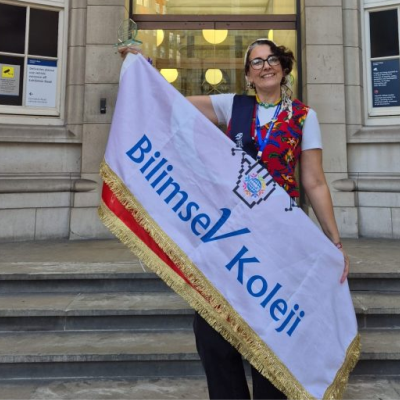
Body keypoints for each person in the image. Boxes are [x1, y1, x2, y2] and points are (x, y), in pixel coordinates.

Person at [120, 39, 351, 400]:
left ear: (283, 68)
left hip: (279, 239)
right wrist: (143, 70)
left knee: (271, 329)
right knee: (212, 329)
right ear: (248, 75)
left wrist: (333, 241)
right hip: (232, 236)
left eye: (272, 59)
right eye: (256, 62)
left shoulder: (305, 117)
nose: (265, 66)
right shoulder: (233, 106)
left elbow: (314, 182)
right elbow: (172, 104)